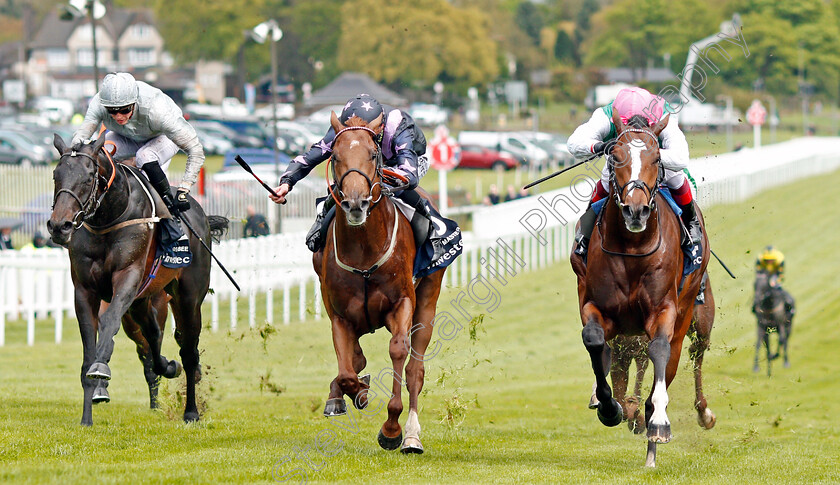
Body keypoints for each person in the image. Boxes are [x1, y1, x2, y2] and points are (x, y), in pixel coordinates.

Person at [269, 94, 431, 252]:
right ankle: (321, 219)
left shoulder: (398, 126)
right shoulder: (343, 130)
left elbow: (409, 175)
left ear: (380, 127)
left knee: (399, 189)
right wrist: (286, 182)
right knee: (345, 184)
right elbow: (309, 158)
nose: (355, 137)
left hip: (408, 160)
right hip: (366, 161)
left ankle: (434, 230)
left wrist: (378, 176)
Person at [71, 72, 205, 251]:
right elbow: (80, 138)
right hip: (125, 136)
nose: (118, 116)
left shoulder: (157, 111)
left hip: (162, 137)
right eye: (112, 111)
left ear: (135, 102)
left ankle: (170, 219)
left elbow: (196, 150)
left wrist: (184, 188)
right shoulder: (99, 103)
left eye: (125, 110)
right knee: (100, 153)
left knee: (145, 156)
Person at [567, 86, 702, 258]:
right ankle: (586, 232)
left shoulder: (663, 115)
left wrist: (647, 155)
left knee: (676, 177)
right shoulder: (605, 115)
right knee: (606, 178)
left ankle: (692, 223)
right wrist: (599, 146)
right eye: (628, 123)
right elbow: (573, 143)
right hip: (623, 161)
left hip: (654, 162)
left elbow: (681, 158)